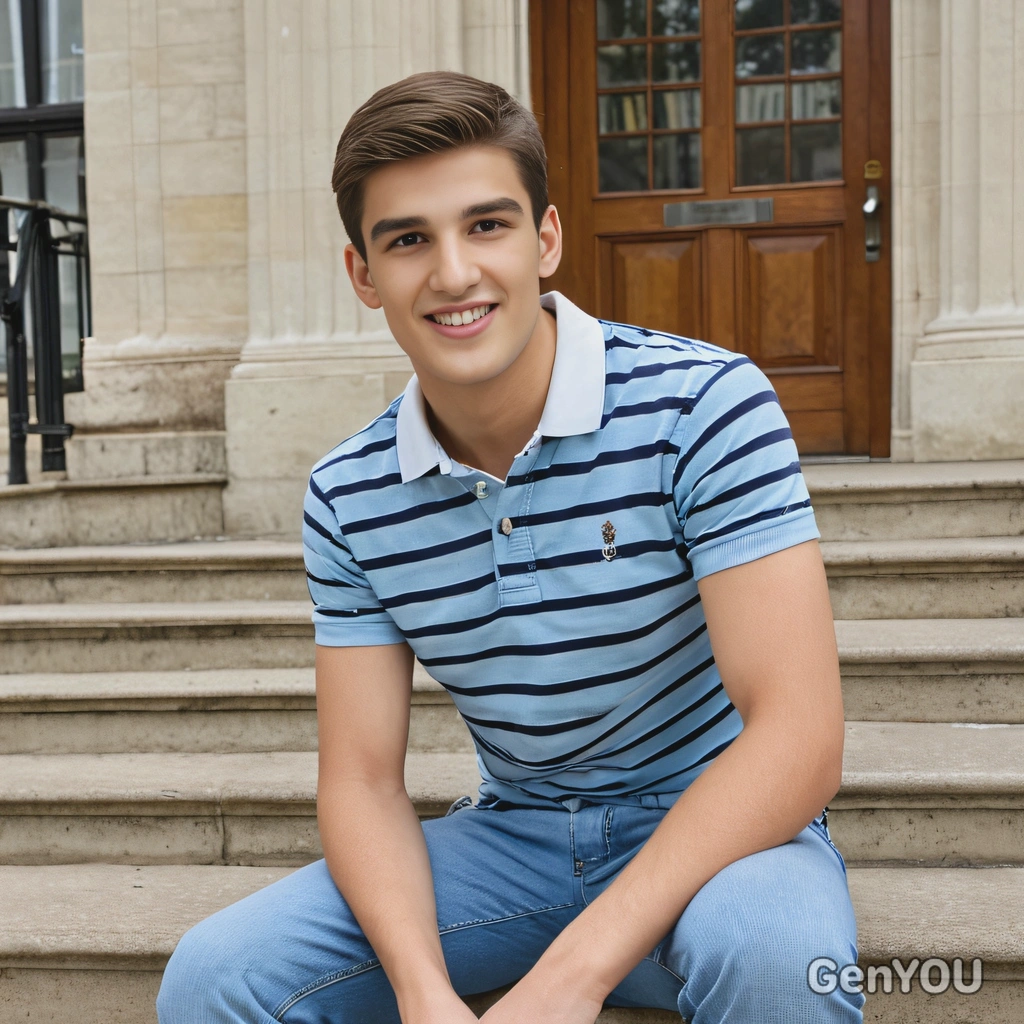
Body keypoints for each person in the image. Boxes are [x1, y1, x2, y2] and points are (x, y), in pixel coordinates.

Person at [157, 71, 864, 1024]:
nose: (453, 273)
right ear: (363, 275)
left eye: (487, 225)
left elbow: (799, 735)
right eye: (408, 240)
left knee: (776, 964)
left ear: (546, 239)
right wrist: (421, 993)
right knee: (215, 979)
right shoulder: (348, 492)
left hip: (727, 840)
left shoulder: (703, 405)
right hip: (514, 842)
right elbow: (362, 780)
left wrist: (569, 982)